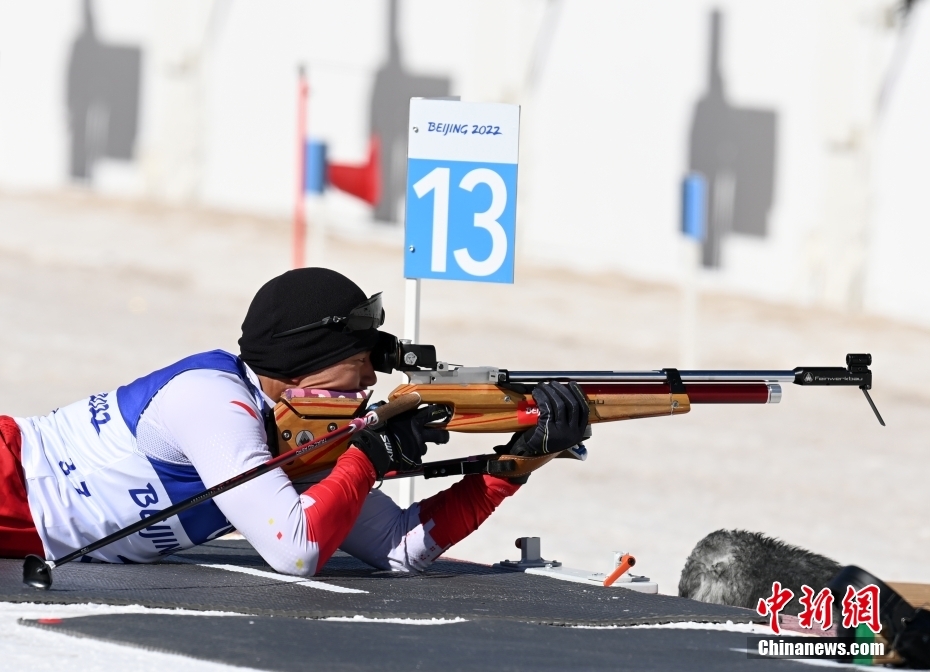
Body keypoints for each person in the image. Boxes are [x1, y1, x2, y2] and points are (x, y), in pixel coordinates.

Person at [0, 268, 588, 576]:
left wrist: (517, 465)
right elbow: (296, 551)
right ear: (303, 361)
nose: (369, 381)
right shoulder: (213, 402)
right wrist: (369, 456)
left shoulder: (296, 436)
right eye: (358, 361)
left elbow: (398, 547)